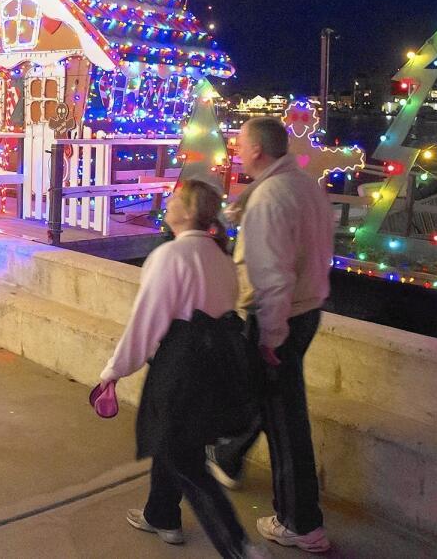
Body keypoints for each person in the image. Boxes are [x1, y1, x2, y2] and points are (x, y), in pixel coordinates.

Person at [99, 180, 266, 559]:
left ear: (188, 212)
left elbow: (147, 322)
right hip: (217, 366)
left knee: (183, 456)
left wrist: (114, 369)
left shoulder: (171, 256)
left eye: (175, 199)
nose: (168, 203)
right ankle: (162, 514)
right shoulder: (220, 257)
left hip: (181, 366)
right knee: (176, 440)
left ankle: (237, 545)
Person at [207, 117, 334, 553]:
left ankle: (301, 521)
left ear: (258, 150)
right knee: (269, 402)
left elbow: (271, 279)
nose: (235, 149)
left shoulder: (270, 199)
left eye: (240, 143)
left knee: (284, 419)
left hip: (277, 317)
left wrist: (268, 338)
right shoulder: (305, 187)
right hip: (307, 309)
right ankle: (228, 455)